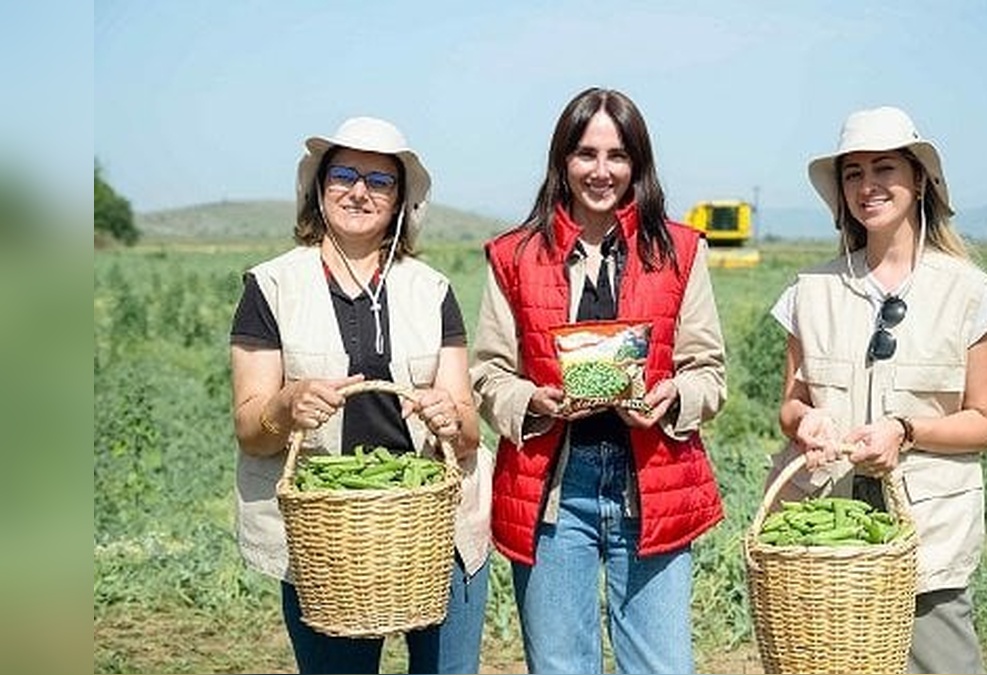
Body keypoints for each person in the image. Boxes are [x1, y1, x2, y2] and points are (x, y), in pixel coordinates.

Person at [470, 87, 727, 674]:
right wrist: (533, 400)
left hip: (652, 483)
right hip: (556, 494)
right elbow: (487, 373)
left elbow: (708, 372)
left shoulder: (680, 250)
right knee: (561, 666)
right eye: (586, 153)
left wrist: (673, 397)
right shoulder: (514, 255)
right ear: (563, 159)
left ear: (638, 163)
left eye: (617, 155)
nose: (601, 171)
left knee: (663, 667)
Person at [229, 116, 492, 674]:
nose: (359, 192)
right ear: (318, 189)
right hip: (332, 534)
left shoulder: (431, 289)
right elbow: (252, 433)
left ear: (400, 202)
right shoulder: (272, 286)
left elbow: (468, 434)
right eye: (344, 175)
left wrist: (450, 416)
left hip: (434, 520)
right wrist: (285, 406)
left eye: (379, 181)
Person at [767, 106, 987, 674]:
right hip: (826, 533)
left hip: (928, 531)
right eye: (853, 173)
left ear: (919, 180)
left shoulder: (971, 294)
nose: (867, 186)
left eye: (884, 168)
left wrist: (905, 431)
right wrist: (804, 422)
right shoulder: (811, 290)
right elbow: (791, 405)